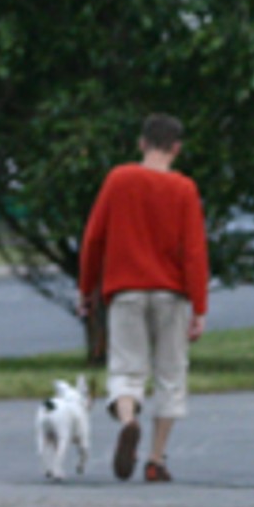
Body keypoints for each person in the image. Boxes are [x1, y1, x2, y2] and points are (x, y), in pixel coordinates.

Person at [76, 113, 208, 484]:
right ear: (176, 148)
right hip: (172, 293)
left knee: (126, 368)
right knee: (170, 373)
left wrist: (87, 289)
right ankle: (155, 458)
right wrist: (199, 306)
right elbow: (194, 253)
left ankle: (129, 419)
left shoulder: (119, 180)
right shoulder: (184, 189)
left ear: (142, 143)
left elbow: (94, 238)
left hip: (126, 290)